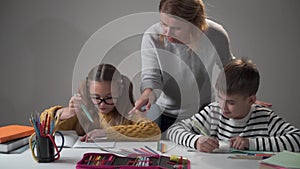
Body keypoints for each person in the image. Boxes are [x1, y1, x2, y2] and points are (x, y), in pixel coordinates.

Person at [132, 0, 234, 134]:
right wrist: (147, 94)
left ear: (195, 23)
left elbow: (230, 70)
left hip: (203, 114)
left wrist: (243, 96)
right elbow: (152, 76)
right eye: (164, 24)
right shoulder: (152, 36)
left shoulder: (216, 34)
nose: (168, 33)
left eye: (176, 28)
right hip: (165, 113)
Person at [167, 58, 300, 152]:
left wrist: (250, 143)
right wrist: (196, 141)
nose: (223, 106)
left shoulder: (265, 118)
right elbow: (174, 130)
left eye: (231, 102)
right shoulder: (213, 112)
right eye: (220, 98)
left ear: (251, 100)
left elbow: (297, 139)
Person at [41, 64, 161, 141]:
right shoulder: (81, 109)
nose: (102, 104)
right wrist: (62, 113)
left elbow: (153, 131)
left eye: (109, 97)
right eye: (96, 97)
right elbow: (42, 125)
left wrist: (106, 133)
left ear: (120, 91)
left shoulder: (128, 111)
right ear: (88, 93)